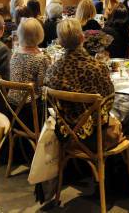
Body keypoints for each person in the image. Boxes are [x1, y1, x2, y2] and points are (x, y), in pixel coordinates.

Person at [44, 19, 119, 147]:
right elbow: (109, 101)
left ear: (60, 42)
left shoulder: (52, 70)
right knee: (123, 122)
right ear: (82, 38)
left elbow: (49, 102)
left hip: (64, 134)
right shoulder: (98, 68)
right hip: (94, 137)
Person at [8, 19, 50, 106]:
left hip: (11, 103)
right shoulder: (41, 59)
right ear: (39, 34)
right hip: (30, 106)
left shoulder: (14, 54)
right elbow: (43, 84)